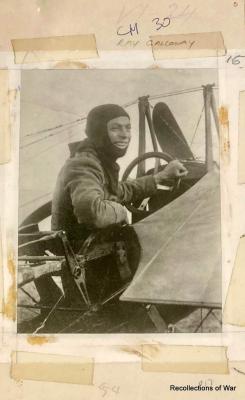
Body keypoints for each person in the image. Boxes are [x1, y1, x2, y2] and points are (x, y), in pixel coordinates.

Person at [51, 104, 188, 240]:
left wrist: (160, 177)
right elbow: (91, 212)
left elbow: (117, 190)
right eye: (115, 128)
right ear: (99, 132)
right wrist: (121, 211)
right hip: (80, 252)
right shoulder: (84, 163)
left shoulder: (98, 160)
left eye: (128, 128)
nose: (124, 135)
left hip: (92, 246)